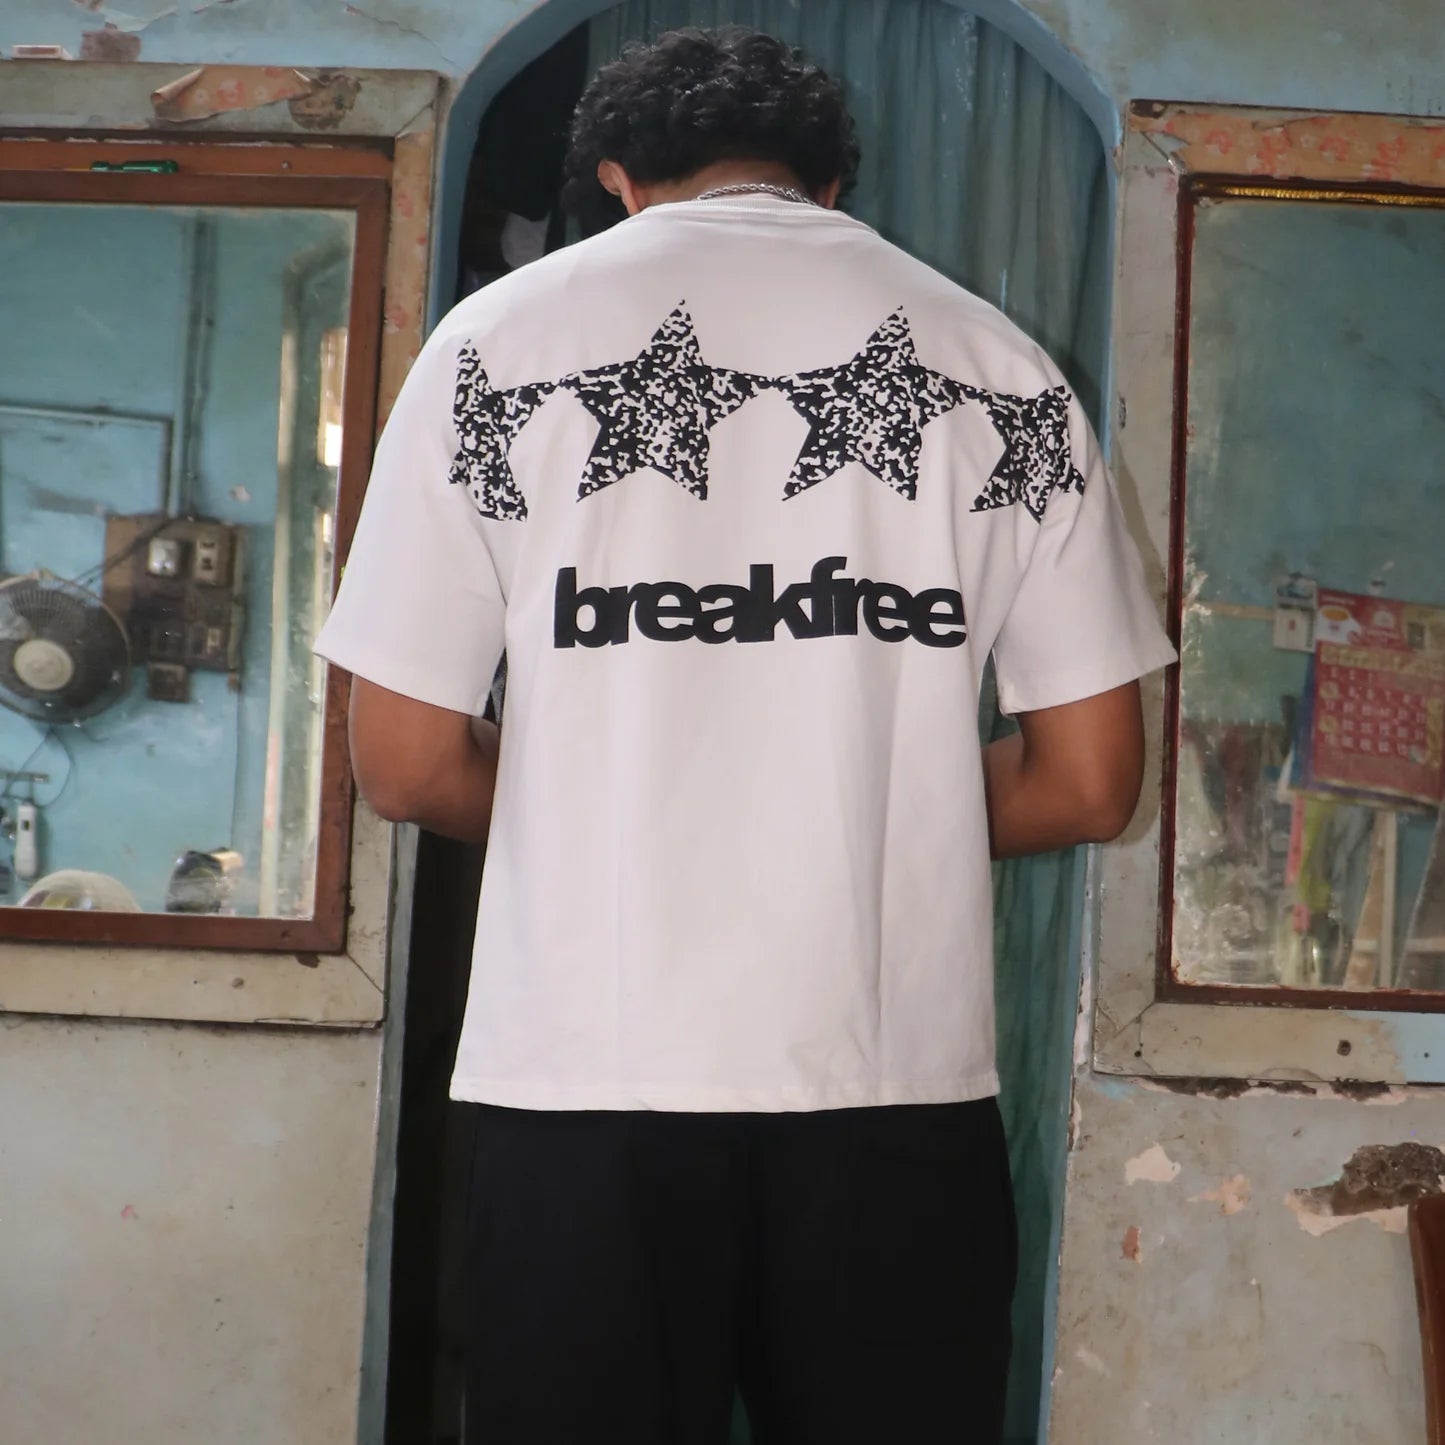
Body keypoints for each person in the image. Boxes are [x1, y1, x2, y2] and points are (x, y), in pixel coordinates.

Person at [315, 26, 1175, 1445]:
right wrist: (863, 804)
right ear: (831, 185)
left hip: (583, 1080)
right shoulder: (1001, 372)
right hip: (894, 1085)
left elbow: (404, 763)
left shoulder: (492, 354)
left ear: (614, 179)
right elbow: (1090, 782)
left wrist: (614, 796)